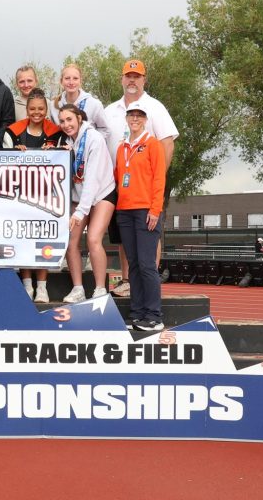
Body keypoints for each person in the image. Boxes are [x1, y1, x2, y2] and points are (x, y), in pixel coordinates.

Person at [103, 59, 180, 297]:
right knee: (125, 238)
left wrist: (155, 179)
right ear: (122, 79)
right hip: (119, 188)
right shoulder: (110, 111)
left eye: (137, 76)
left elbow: (167, 143)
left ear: (144, 80)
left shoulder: (155, 107)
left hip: (146, 190)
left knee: (148, 235)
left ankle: (149, 281)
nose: (132, 80)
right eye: (129, 76)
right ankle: (127, 280)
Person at [3, 88, 62, 302]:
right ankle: (27, 285)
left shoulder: (56, 132)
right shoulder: (13, 132)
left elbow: (64, 155)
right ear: (26, 110)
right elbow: (4, 162)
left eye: (40, 109)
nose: (36, 112)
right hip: (20, 194)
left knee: (43, 240)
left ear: (46, 110)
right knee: (23, 239)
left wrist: (55, 151)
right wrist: (14, 153)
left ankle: (43, 287)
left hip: (46, 195)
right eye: (32, 109)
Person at [115, 103, 167, 331]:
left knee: (147, 264)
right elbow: (118, 177)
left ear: (145, 119)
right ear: (126, 118)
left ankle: (154, 316)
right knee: (133, 264)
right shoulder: (122, 147)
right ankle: (137, 314)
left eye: (139, 115)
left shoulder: (152, 144)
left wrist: (155, 209)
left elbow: (159, 179)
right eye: (131, 115)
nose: (135, 118)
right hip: (124, 210)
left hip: (146, 210)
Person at [58, 104, 116, 303]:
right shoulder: (66, 141)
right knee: (71, 241)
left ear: (79, 119)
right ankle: (78, 288)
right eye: (62, 121)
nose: (66, 125)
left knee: (93, 239)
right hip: (79, 195)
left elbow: (92, 179)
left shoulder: (94, 139)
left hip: (102, 193)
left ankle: (100, 289)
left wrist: (80, 212)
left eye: (69, 120)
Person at [50, 64, 107, 132]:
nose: (71, 82)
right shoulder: (53, 105)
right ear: (61, 81)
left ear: (80, 81)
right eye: (67, 78)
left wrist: (94, 141)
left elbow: (104, 129)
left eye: (75, 78)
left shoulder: (94, 104)